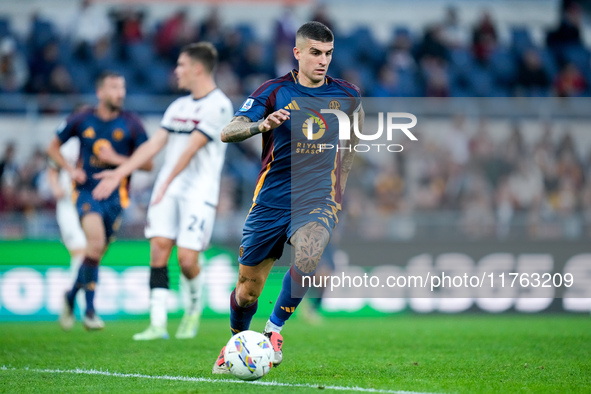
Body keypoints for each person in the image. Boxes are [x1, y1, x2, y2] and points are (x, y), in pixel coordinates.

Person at [212, 21, 364, 374]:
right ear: (297, 53)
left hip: (316, 200)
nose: (323, 60)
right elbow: (227, 131)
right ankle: (237, 343)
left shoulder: (349, 95)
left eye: (328, 53)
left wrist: (338, 188)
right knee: (247, 291)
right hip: (270, 201)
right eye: (315, 53)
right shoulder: (273, 92)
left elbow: (352, 142)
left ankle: (274, 329)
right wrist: (260, 126)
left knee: (311, 253)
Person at [92, 42, 232, 340]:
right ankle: (157, 324)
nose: (176, 71)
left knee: (187, 260)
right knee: (158, 250)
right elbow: (154, 145)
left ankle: (192, 310)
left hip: (198, 191)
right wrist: (120, 172)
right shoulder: (178, 106)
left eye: (181, 65)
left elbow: (191, 148)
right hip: (167, 189)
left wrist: (166, 181)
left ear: (197, 68)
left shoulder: (219, 105)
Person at [46, 71, 152, 330]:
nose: (120, 93)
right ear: (100, 92)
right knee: (94, 245)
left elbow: (148, 164)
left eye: (123, 87)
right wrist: (71, 171)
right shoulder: (82, 119)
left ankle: (70, 297)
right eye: (114, 87)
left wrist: (116, 159)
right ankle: (90, 312)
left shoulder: (132, 124)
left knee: (95, 254)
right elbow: (52, 148)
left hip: (116, 197)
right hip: (86, 192)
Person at [47, 121, 87, 306]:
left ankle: (73, 296)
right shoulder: (65, 145)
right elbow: (53, 169)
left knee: (90, 251)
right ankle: (78, 300)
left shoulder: (95, 142)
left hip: (89, 202)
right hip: (68, 204)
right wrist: (55, 187)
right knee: (80, 249)